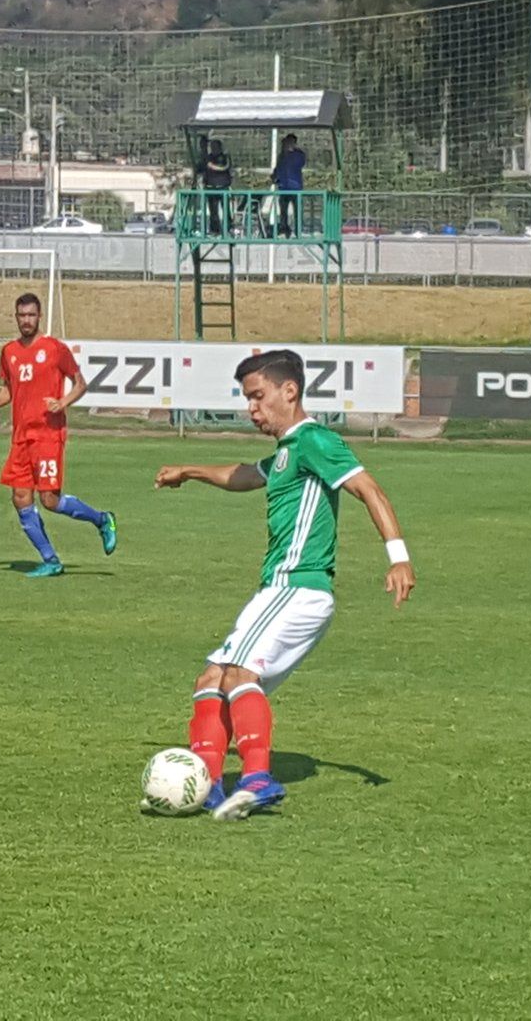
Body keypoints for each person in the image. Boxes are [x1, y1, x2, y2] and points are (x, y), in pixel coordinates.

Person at [155, 349, 415, 820]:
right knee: (211, 679)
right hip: (277, 590)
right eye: (247, 399)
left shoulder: (315, 440)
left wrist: (398, 558)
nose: (251, 409)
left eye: (257, 397)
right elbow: (244, 475)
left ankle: (256, 779)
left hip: (298, 586)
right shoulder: (287, 452)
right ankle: (209, 784)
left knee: (238, 676)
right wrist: (189, 472)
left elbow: (369, 489)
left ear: (288, 391)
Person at [0, 292, 118, 578]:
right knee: (20, 498)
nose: (26, 320)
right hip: (21, 437)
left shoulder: (54, 349)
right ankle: (51, 560)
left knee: (50, 501)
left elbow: (80, 384)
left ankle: (103, 520)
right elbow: (11, 390)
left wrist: (62, 403)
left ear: (39, 316)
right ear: (16, 317)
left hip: (48, 435)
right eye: (21, 315)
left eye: (31, 315)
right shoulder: (9, 352)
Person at [271, 133, 307, 237]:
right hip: (284, 187)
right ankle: (284, 229)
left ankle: (298, 230)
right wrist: (275, 177)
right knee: (283, 211)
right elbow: (278, 168)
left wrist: (293, 152)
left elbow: (301, 163)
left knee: (297, 210)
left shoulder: (299, 155)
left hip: (295, 187)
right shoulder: (282, 155)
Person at [199, 137, 233, 236]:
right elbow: (201, 168)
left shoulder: (224, 157)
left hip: (222, 187)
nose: (214, 148)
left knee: (226, 209)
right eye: (212, 146)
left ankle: (228, 228)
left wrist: (212, 166)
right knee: (213, 211)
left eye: (215, 146)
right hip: (211, 188)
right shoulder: (208, 158)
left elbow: (225, 167)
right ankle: (215, 230)